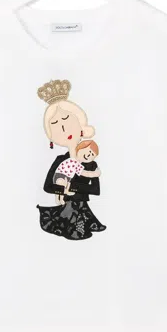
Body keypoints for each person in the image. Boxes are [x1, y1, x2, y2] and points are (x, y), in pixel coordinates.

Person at [36, 79, 106, 240]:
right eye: (55, 123)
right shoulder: (60, 160)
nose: (63, 127)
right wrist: (64, 190)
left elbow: (95, 189)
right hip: (67, 208)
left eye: (67, 120)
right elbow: (48, 186)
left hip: (82, 205)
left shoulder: (90, 161)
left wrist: (72, 187)